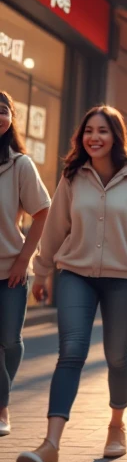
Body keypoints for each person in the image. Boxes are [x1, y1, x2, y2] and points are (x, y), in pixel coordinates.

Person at [16, 105, 127, 462]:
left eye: (102, 131)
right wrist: (40, 274)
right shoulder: (73, 178)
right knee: (70, 353)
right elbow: (56, 228)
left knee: (117, 355)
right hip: (76, 273)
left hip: (125, 278)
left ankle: (117, 423)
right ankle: (51, 446)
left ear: (115, 136)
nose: (94, 137)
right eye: (88, 130)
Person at [0, 92, 51, 437]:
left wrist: (24, 258)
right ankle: (2, 408)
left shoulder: (19, 165)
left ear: (11, 118)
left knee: (10, 341)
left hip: (10, 269)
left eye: (2, 111)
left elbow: (42, 211)